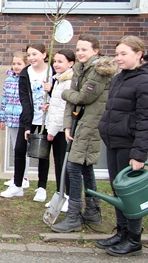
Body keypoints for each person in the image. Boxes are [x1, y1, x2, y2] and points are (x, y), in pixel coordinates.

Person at [51, 34, 117, 233]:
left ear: (95, 51)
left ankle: (74, 215)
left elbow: (84, 97)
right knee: (85, 166)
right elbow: (73, 102)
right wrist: (68, 124)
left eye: (84, 50)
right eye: (78, 49)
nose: (80, 53)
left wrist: (63, 92)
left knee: (74, 166)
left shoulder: (98, 71)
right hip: (78, 122)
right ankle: (93, 211)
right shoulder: (79, 69)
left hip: (91, 123)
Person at [97, 35, 148, 257]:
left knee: (129, 194)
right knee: (118, 190)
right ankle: (122, 232)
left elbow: (145, 120)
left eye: (123, 54)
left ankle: (134, 239)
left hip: (130, 146)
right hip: (114, 142)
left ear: (139, 54)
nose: (118, 58)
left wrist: (139, 155)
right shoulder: (119, 78)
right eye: (117, 54)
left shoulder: (144, 81)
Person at [0, 43, 53, 201]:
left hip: (47, 119)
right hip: (29, 117)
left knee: (43, 154)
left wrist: (51, 90)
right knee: (19, 150)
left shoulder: (52, 71)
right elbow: (24, 99)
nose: (31, 58)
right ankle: (17, 185)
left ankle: (42, 187)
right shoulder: (25, 73)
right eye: (29, 55)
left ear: (44, 55)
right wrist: (27, 124)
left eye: (34, 54)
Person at [43, 49, 75, 213]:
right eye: (55, 61)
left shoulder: (69, 82)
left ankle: (68, 196)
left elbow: (63, 110)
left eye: (60, 61)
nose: (56, 64)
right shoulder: (59, 80)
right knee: (58, 163)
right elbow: (56, 105)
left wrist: (52, 130)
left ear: (71, 63)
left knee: (64, 164)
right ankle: (59, 193)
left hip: (63, 130)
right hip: (56, 128)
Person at [0, 51, 30, 189]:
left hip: (22, 119)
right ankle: (16, 176)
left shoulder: (27, 79)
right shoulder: (8, 80)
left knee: (23, 149)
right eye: (14, 64)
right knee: (15, 148)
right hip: (10, 118)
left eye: (19, 64)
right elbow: (4, 100)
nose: (16, 67)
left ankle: (25, 176)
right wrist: (2, 117)